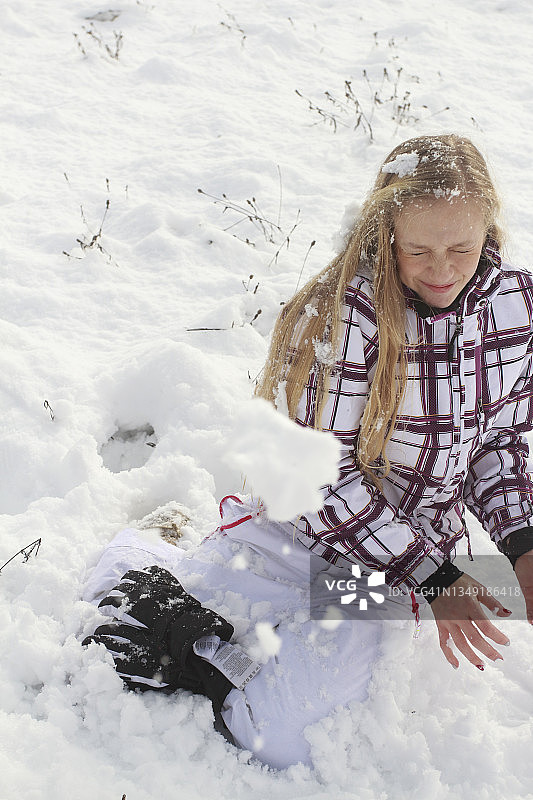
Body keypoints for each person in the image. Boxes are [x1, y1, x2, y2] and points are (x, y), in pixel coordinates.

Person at [82, 134, 533, 769]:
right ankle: (144, 562)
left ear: (489, 230)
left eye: (463, 247)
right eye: (420, 249)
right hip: (305, 545)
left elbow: (499, 442)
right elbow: (318, 480)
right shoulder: (341, 317)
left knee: (498, 595)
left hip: (408, 557)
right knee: (279, 733)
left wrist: (521, 545)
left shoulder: (514, 302)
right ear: (385, 232)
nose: (443, 268)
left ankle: (358, 604)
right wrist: (435, 578)